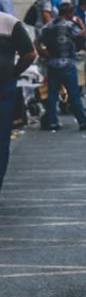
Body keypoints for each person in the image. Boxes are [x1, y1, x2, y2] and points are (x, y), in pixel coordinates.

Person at [36, 3, 86, 132]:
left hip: (53, 63)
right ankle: (82, 121)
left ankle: (52, 121)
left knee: (52, 94)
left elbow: (37, 41)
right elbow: (82, 35)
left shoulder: (49, 26)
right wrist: (80, 22)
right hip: (68, 64)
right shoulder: (70, 25)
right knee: (73, 94)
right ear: (69, 13)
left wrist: (43, 53)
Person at [1, 11, 38, 194]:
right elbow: (30, 54)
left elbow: (30, 54)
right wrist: (13, 73)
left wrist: (13, 74)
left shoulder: (10, 23)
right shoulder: (9, 22)